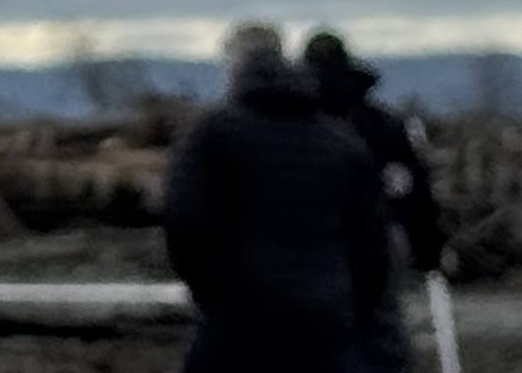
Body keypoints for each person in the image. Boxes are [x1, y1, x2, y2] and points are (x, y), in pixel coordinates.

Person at [161, 23, 396, 373]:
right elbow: (372, 240)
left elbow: (183, 219)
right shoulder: (341, 143)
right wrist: (353, 301)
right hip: (325, 313)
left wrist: (211, 290)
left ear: (234, 67)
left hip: (239, 314)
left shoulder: (213, 135)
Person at [302, 31, 447, 371]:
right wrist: (430, 249)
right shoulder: (382, 125)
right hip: (377, 244)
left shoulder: (291, 128)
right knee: (379, 334)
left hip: (311, 249)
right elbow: (414, 191)